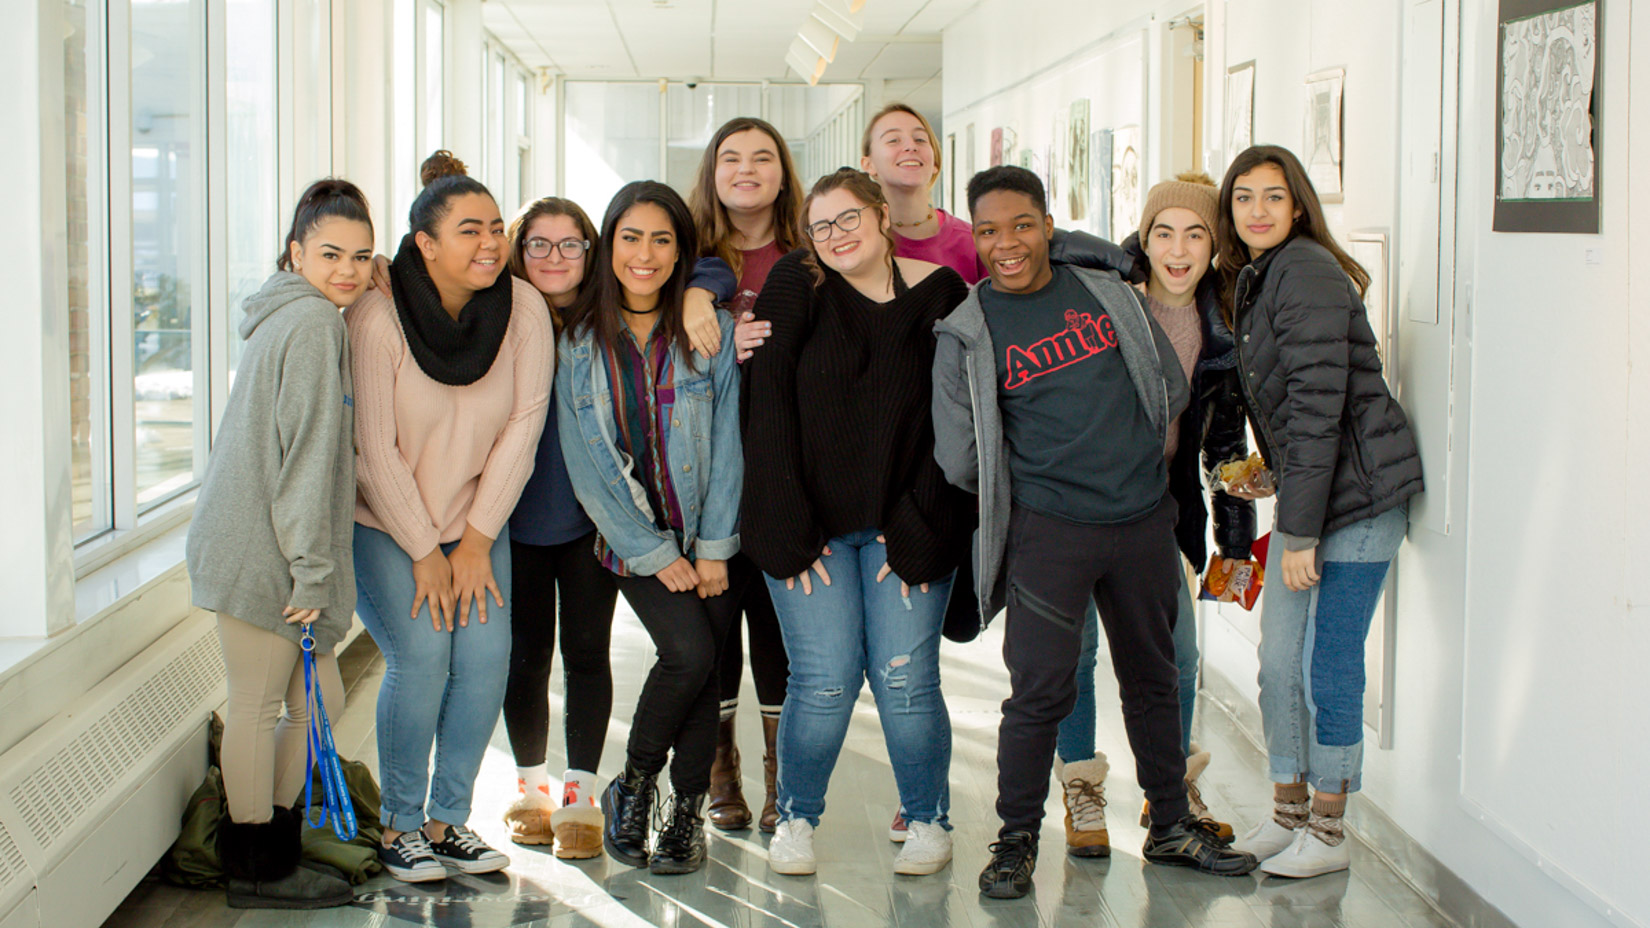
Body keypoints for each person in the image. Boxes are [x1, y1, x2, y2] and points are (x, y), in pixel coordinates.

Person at [932, 165, 1258, 899]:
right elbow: (960, 456)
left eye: (1022, 225)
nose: (1006, 244)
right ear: (975, 237)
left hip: (1142, 522)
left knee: (1154, 680)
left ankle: (1170, 825)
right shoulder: (969, 330)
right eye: (988, 231)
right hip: (1051, 535)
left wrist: (1134, 468)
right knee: (1040, 692)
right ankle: (1015, 841)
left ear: (1051, 226)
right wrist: (1042, 486)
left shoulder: (1106, 293)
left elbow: (1167, 389)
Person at [741, 168, 971, 877]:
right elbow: (769, 408)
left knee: (905, 678)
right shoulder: (797, 284)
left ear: (881, 215)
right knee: (827, 679)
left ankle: (929, 819)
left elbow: (954, 424)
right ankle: (797, 819)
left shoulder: (941, 293)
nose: (836, 236)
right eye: (821, 226)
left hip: (910, 520)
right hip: (811, 529)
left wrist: (917, 529)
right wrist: (786, 528)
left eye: (849, 220)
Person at [498, 197, 736, 859]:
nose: (646, 253)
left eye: (570, 244)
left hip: (657, 531)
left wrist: (713, 546)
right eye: (632, 238)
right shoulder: (552, 332)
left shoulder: (682, 324)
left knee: (669, 661)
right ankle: (589, 786)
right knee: (542, 657)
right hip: (593, 530)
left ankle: (652, 807)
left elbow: (728, 441)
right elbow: (593, 461)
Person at [1215, 145, 1422, 879]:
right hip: (1317, 492)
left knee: (1324, 669)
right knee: (1278, 665)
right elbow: (1295, 406)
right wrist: (1273, 472)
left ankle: (1330, 836)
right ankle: (1288, 814)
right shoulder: (1258, 277)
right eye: (1244, 198)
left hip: (1360, 504)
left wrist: (1297, 530)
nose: (1258, 211)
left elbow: (1320, 406)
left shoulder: (1301, 268)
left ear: (1298, 206)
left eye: (1273, 197)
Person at [349, 151, 552, 882]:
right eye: (470, 230)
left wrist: (472, 542)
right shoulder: (377, 317)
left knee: (485, 658)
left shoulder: (523, 310)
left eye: (497, 226)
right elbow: (373, 450)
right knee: (425, 655)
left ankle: (447, 821)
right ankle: (400, 825)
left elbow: (521, 431)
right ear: (424, 245)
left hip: (474, 524)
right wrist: (424, 551)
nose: (491, 243)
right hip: (384, 523)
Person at [1053, 172, 1255, 858]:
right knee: (1073, 652)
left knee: (1180, 654)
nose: (1178, 250)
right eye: (1162, 232)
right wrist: (1123, 258)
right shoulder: (1107, 296)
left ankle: (1172, 790)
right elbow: (1052, 245)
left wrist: (1235, 546)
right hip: (1078, 505)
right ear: (1143, 238)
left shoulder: (1221, 325)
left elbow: (1227, 448)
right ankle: (1081, 788)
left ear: (1214, 245)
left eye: (1195, 234)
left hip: (1159, 513)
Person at [186, 179, 374, 910]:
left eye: (362, 256)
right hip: (261, 550)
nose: (348, 271)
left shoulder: (290, 311)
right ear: (296, 253)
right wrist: (310, 571)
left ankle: (277, 847)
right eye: (330, 253)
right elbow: (305, 460)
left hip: (254, 537)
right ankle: (258, 868)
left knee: (315, 694)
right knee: (262, 703)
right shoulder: (313, 325)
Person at [682, 116, 806, 833]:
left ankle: (778, 770)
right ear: (713, 173)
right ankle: (719, 766)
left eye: (764, 156)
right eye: (731, 157)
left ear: (783, 174)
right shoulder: (688, 260)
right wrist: (703, 304)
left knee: (779, 631)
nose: (747, 169)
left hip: (784, 473)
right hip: (705, 480)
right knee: (716, 628)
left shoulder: (809, 255)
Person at [860, 103, 987, 284]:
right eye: (893, 140)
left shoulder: (971, 242)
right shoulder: (860, 243)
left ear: (935, 162)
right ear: (868, 164)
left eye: (920, 139)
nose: (911, 147)